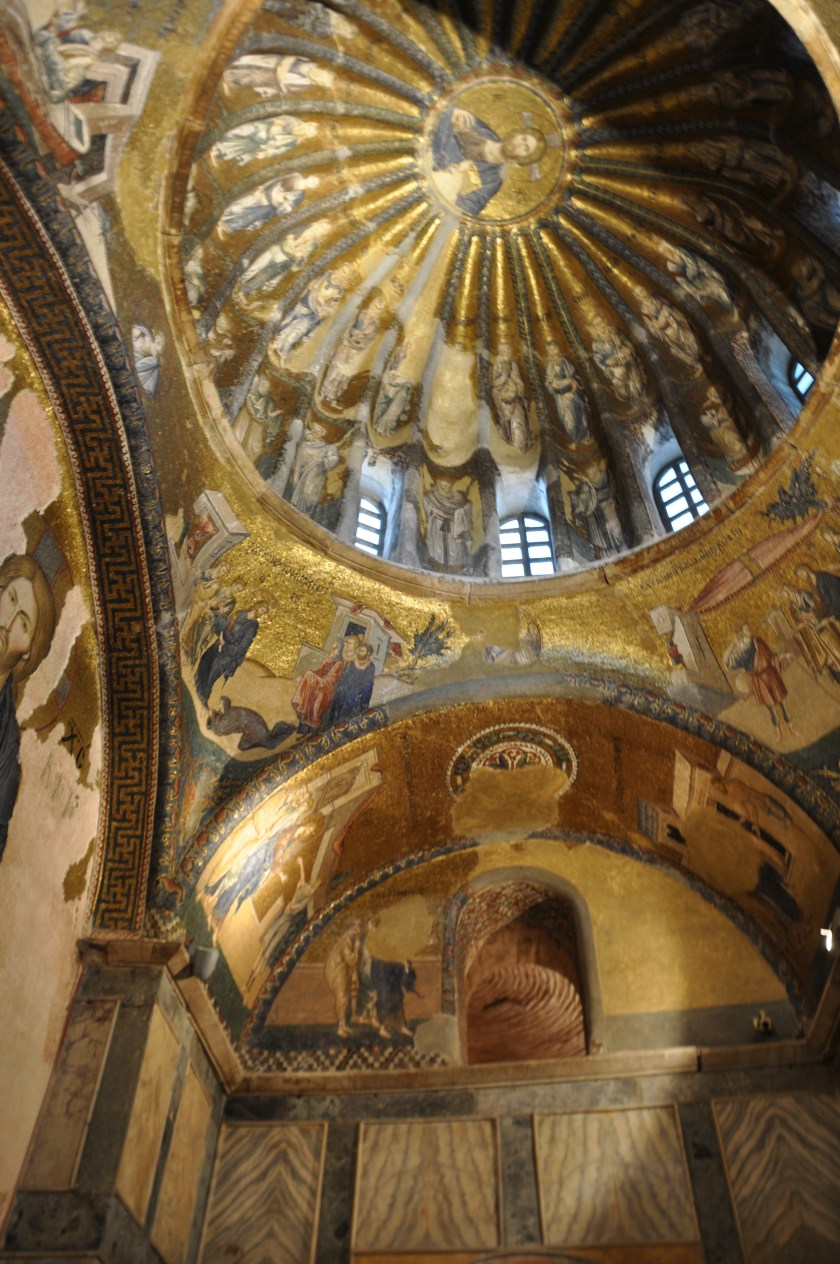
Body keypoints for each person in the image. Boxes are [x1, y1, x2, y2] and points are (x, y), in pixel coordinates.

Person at [0, 554, 57, 858]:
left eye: (23, 623)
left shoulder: (7, 746)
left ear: (28, 652)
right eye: (10, 599)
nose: (7, 623)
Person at [431, 105, 546, 216]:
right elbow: (442, 112)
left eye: (525, 148)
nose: (519, 144)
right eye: (523, 138)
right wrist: (452, 112)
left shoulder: (492, 179)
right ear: (516, 134)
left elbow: (467, 209)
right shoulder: (482, 130)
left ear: (521, 160)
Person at [723, 624, 793, 738]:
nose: (749, 630)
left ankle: (791, 729)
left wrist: (784, 656)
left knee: (783, 703)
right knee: (771, 708)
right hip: (759, 681)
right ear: (741, 633)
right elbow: (725, 660)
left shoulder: (758, 642)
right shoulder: (740, 652)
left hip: (771, 675)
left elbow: (771, 658)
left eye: (748, 628)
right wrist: (733, 643)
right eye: (746, 629)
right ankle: (778, 733)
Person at [194, 603, 267, 706]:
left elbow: (244, 645)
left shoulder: (253, 625)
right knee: (205, 663)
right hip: (219, 644)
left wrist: (228, 643)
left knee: (213, 673)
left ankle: (203, 697)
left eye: (264, 612)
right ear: (257, 606)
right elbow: (222, 627)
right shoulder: (239, 614)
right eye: (262, 609)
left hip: (229, 653)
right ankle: (196, 689)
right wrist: (222, 616)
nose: (261, 613)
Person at [291, 641, 344, 731]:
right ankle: (303, 710)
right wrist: (314, 676)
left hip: (328, 688)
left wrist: (315, 678)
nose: (332, 649)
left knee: (310, 675)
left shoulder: (339, 663)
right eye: (332, 647)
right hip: (321, 682)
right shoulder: (329, 658)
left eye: (335, 648)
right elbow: (320, 670)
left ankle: (306, 713)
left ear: (339, 650)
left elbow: (330, 679)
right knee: (309, 676)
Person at [424, 476, 473, 570]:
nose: (446, 489)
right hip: (437, 525)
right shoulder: (432, 497)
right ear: (439, 485)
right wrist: (438, 514)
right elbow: (428, 510)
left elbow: (466, 507)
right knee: (438, 546)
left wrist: (454, 514)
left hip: (454, 525)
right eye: (443, 486)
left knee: (455, 547)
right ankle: (438, 564)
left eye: (448, 486)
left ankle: (455, 565)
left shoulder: (458, 498)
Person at [544, 343, 590, 444]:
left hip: (573, 394)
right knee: (568, 420)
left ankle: (583, 437)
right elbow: (548, 382)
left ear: (558, 349)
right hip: (561, 398)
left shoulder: (566, 361)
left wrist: (574, 382)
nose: (553, 352)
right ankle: (574, 439)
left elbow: (575, 376)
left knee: (579, 416)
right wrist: (553, 386)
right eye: (550, 350)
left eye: (554, 348)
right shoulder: (549, 366)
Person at [491, 345, 532, 451]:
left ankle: (521, 446)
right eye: (504, 351)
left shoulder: (513, 365)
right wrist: (504, 378)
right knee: (508, 424)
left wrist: (515, 389)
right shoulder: (497, 365)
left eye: (508, 351)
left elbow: (519, 382)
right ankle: (512, 444)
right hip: (504, 401)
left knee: (518, 423)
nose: (506, 353)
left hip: (516, 400)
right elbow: (494, 384)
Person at [328, 641, 376, 724]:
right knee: (340, 691)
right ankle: (333, 721)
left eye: (363, 651)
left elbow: (367, 683)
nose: (360, 653)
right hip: (348, 686)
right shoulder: (353, 663)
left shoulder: (370, 666)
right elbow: (346, 676)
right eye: (360, 650)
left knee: (352, 694)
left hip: (359, 691)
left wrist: (355, 688)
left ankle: (344, 723)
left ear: (368, 653)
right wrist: (343, 685)